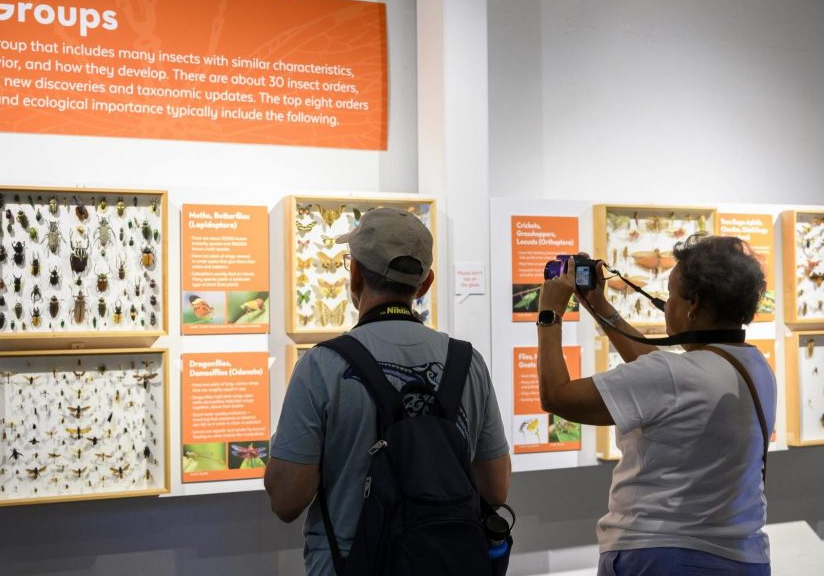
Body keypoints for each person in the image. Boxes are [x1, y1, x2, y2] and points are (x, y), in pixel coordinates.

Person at [265, 207, 511, 576]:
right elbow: (495, 489)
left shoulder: (322, 367)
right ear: (425, 283)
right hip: (445, 562)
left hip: (352, 564)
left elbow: (286, 501)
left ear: (355, 272)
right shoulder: (467, 363)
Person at [536, 235, 775, 575]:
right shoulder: (754, 366)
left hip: (662, 555)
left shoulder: (674, 376)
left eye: (672, 293)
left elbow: (557, 396)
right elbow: (661, 371)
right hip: (743, 558)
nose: (667, 303)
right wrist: (600, 308)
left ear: (694, 304)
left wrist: (549, 315)